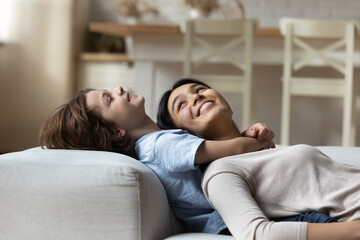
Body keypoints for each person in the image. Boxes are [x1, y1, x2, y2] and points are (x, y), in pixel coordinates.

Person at [39, 85, 360, 240]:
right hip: (223, 222)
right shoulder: (160, 144)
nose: (119, 88)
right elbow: (215, 153)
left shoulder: (159, 143)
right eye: (110, 99)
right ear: (116, 132)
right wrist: (252, 141)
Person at [157, 78, 360, 240]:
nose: (196, 97)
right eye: (181, 104)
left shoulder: (261, 151)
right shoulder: (220, 172)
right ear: (180, 134)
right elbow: (256, 233)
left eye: (199, 89)